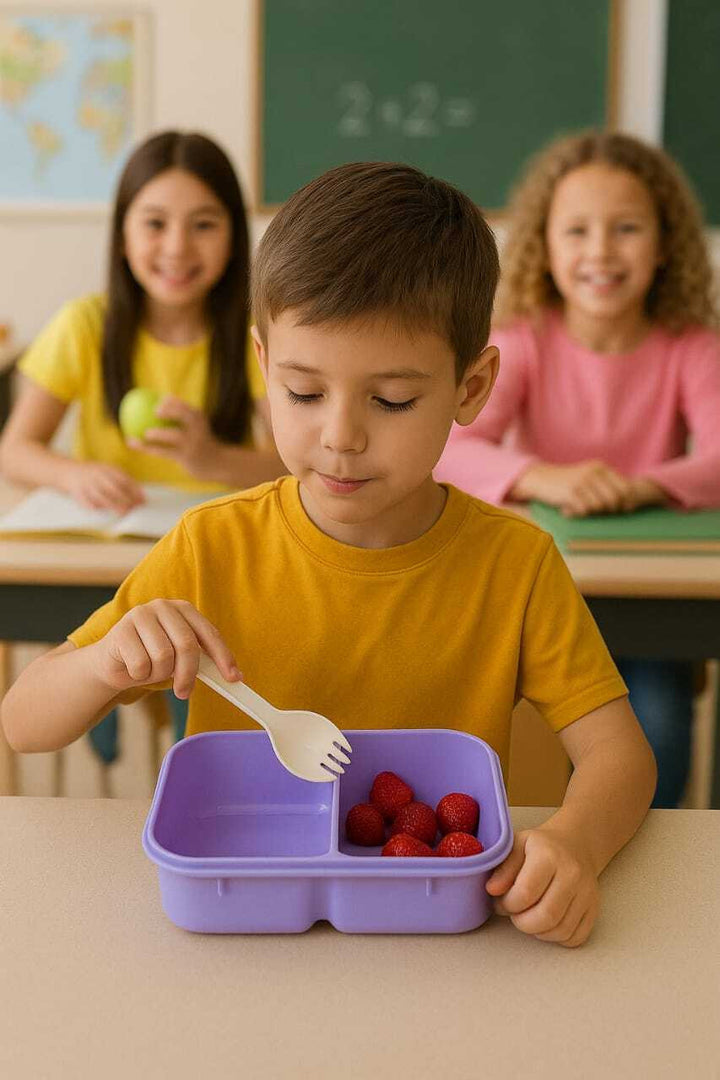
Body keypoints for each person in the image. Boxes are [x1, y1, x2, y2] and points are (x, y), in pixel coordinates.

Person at [1, 162, 656, 947]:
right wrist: (105, 660)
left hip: (433, 938)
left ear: (472, 387)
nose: (340, 437)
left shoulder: (516, 564)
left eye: (392, 400)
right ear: (262, 366)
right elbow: (23, 722)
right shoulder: (211, 547)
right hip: (241, 934)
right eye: (304, 393)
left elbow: (619, 755)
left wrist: (578, 842)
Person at [436, 130, 720, 808]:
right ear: (545, 244)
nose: (600, 251)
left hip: (653, 600)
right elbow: (448, 444)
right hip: (546, 588)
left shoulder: (691, 346)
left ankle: (633, 858)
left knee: (656, 725)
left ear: (663, 245)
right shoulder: (523, 341)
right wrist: (543, 476)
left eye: (626, 228)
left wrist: (648, 485)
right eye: (578, 230)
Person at [0, 130, 284, 759]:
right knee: (90, 669)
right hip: (111, 562)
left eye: (204, 224)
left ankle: (186, 741)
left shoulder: (251, 336)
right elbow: (14, 449)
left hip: (216, 566)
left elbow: (295, 466)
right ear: (123, 234)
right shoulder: (87, 326)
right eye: (155, 223)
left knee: (211, 691)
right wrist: (73, 475)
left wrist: (213, 460)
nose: (177, 247)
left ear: (234, 235)